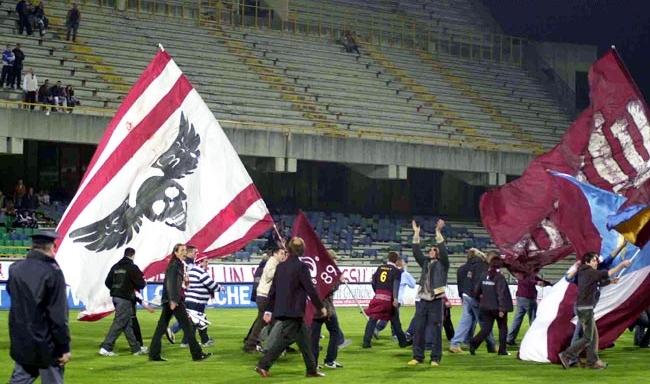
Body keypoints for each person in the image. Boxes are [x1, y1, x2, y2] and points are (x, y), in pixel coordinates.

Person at [255, 237, 327, 378]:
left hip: (283, 309)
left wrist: (269, 309)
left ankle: (311, 370)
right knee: (284, 340)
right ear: (302, 250)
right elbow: (310, 289)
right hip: (294, 310)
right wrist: (321, 306)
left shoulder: (280, 266)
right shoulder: (302, 267)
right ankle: (263, 365)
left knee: (305, 340)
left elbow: (273, 290)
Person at [7, 230, 71, 383]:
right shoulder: (53, 272)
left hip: (22, 340)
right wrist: (63, 347)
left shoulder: (15, 269)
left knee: (20, 379)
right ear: (52, 247)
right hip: (48, 344)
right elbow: (58, 316)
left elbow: (12, 294)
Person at [558, 252, 631, 370]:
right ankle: (567, 355)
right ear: (587, 262)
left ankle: (592, 362)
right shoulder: (589, 272)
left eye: (597, 260)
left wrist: (611, 282)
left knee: (593, 337)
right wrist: (622, 264)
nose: (596, 262)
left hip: (585, 308)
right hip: (585, 309)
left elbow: (597, 283)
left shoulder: (584, 272)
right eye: (594, 260)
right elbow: (609, 273)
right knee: (587, 337)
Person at [148, 243, 211, 362]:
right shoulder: (175, 265)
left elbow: (177, 283)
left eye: (185, 250)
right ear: (175, 252)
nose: (184, 252)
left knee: (161, 328)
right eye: (181, 250)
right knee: (187, 326)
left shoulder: (177, 264)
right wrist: (173, 300)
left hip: (171, 300)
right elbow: (171, 283)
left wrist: (185, 282)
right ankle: (197, 354)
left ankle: (154, 354)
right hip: (175, 301)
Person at [407, 219, 449, 367]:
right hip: (423, 300)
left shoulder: (443, 264)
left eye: (434, 250)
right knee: (418, 329)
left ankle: (435, 358)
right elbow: (416, 251)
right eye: (430, 250)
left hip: (436, 300)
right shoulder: (425, 262)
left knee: (436, 329)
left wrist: (438, 233)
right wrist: (416, 234)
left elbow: (443, 250)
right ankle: (417, 356)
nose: (431, 251)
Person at [99, 247, 148, 357]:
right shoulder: (132, 267)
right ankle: (106, 347)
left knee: (127, 324)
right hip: (125, 298)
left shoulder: (115, 266)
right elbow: (141, 284)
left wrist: (116, 290)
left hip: (116, 297)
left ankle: (135, 348)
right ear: (133, 255)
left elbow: (107, 282)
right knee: (120, 322)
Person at [449, 248, 496, 353]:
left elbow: (460, 283)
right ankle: (492, 345)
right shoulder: (481, 266)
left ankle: (456, 343)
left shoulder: (462, 268)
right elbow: (479, 282)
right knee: (485, 322)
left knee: (466, 320)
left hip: (465, 296)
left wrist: (461, 295)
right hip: (475, 297)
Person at [244, 243, 286, 353]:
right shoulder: (272, 262)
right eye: (282, 253)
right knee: (268, 321)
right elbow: (269, 275)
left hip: (264, 296)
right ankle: (255, 344)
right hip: (265, 296)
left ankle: (254, 344)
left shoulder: (273, 262)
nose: (283, 256)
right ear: (275, 254)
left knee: (264, 321)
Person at [363, 251, 408, 348]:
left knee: (372, 320)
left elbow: (373, 282)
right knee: (395, 321)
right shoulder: (396, 271)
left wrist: (377, 292)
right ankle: (403, 342)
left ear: (388, 258)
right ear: (396, 260)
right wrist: (395, 298)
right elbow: (396, 285)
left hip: (378, 297)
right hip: (389, 299)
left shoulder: (379, 268)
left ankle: (366, 343)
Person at [469, 257, 513, 356]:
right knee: (502, 328)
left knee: (486, 329)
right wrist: (502, 308)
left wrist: (481, 299)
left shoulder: (484, 275)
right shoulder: (499, 277)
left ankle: (474, 343)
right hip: (497, 308)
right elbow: (500, 294)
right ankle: (502, 350)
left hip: (485, 307)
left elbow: (477, 291)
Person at [311, 250, 345, 369]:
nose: (336, 262)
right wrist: (339, 281)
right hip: (326, 309)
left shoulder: (317, 271)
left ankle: (314, 363)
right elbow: (327, 290)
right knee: (334, 333)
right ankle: (329, 360)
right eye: (335, 259)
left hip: (316, 308)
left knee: (314, 337)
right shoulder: (326, 273)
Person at [183, 251, 221, 347]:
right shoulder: (200, 271)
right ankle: (204, 340)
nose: (207, 264)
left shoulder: (190, 271)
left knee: (193, 322)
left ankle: (187, 341)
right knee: (200, 321)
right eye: (206, 261)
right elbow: (210, 284)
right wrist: (220, 288)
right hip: (197, 301)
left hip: (190, 299)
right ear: (200, 262)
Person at [506, 271, 552, 346]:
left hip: (520, 297)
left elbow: (537, 280)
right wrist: (540, 282)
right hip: (528, 298)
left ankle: (510, 338)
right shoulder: (528, 275)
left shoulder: (522, 273)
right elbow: (533, 281)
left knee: (517, 319)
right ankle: (536, 339)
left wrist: (547, 283)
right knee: (533, 320)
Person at [375, 258, 416, 340]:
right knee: (391, 316)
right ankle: (377, 329)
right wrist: (406, 272)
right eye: (404, 263)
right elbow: (413, 284)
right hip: (397, 298)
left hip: (388, 296)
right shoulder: (404, 274)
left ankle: (393, 333)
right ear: (402, 264)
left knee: (393, 316)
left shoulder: (391, 272)